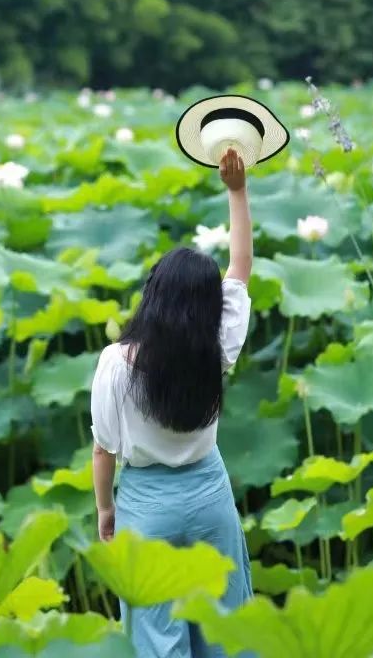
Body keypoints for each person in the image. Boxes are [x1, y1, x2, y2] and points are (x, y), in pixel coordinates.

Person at [90, 148, 254, 658]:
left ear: (153, 294)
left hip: (147, 507)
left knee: (157, 638)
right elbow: (242, 263)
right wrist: (237, 190)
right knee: (225, 626)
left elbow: (103, 451)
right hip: (210, 498)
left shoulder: (116, 363)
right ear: (210, 306)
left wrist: (105, 509)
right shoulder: (217, 348)